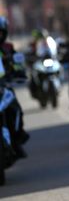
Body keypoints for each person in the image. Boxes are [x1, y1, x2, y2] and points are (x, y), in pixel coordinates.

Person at [0, 16, 29, 159]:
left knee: (15, 109)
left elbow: (18, 63)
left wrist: (19, 71)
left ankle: (17, 140)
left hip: (3, 85)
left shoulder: (8, 48)